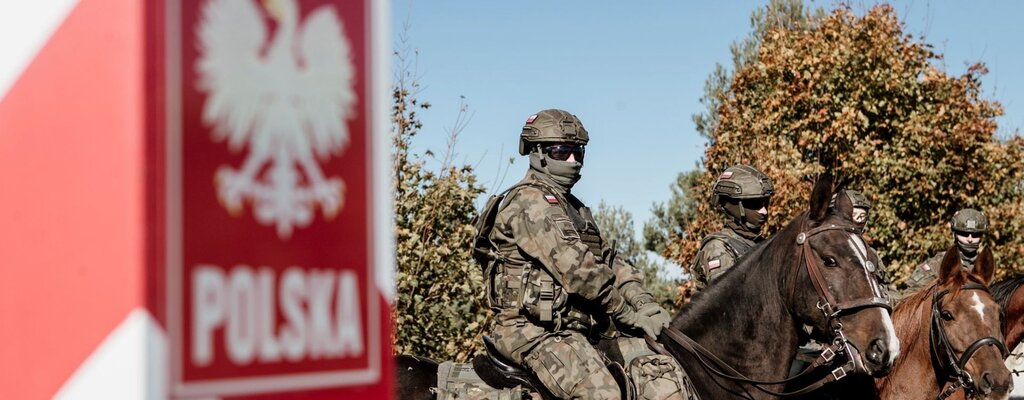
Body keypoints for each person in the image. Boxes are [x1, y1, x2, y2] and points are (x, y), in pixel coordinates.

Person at [474, 109, 692, 400]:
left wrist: (645, 304)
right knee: (600, 393)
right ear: (537, 153)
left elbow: (612, 261)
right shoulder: (530, 201)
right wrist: (628, 315)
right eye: (562, 151)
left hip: (578, 333)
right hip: (530, 333)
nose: (574, 160)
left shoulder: (575, 209)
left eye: (579, 151)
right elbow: (580, 272)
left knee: (664, 368)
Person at [689, 165, 774, 291]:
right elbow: (727, 301)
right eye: (755, 204)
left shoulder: (762, 244)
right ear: (734, 206)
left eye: (765, 203)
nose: (763, 211)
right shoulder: (717, 248)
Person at [904, 208, 988, 292]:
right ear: (955, 234)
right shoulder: (938, 263)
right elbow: (911, 293)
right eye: (964, 234)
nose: (970, 239)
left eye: (975, 235)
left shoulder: (985, 265)